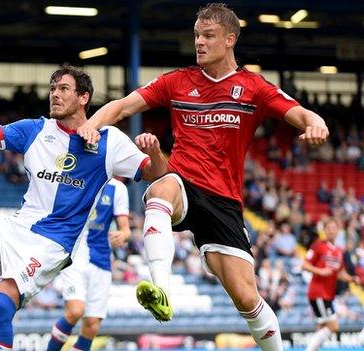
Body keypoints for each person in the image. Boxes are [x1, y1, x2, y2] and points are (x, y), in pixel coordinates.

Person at [76, 4, 329, 350]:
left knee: (247, 300)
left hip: (224, 201)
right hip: (183, 182)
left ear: (230, 39)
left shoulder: (253, 87)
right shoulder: (177, 81)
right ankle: (161, 288)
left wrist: (317, 124)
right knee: (159, 190)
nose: (199, 42)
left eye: (208, 36)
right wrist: (90, 124)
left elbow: (301, 113)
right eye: (197, 35)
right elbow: (121, 106)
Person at [0, 65, 167, 351]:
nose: (54, 95)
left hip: (52, 242)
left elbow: (158, 174)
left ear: (84, 98)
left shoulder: (110, 141)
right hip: (16, 225)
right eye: (52, 89)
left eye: (63, 89)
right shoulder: (35, 129)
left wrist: (155, 152)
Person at [46, 177, 130, 351]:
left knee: (92, 323)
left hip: (102, 260)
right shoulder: (80, 176)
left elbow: (125, 228)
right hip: (75, 254)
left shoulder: (118, 188)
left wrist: (123, 234)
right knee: (75, 310)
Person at [302, 218, 360, 351]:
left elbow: (339, 273)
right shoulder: (318, 246)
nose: (332, 231)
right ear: (325, 230)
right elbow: (304, 265)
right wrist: (320, 271)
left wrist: (351, 279)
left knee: (322, 328)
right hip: (319, 292)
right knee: (334, 326)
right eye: (329, 228)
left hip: (328, 293)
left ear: (338, 230)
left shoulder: (339, 251)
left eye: (334, 228)